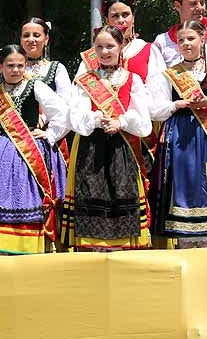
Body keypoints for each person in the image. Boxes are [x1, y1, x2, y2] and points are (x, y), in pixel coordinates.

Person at [0, 45, 70, 254]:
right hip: (1, 151)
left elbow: (62, 114)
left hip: (31, 148)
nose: (16, 70)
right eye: (10, 65)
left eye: (21, 65)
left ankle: (29, 243)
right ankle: (1, 245)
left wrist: (50, 134)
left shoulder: (36, 86)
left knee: (29, 194)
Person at [148, 20, 207, 248]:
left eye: (190, 38)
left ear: (202, 40)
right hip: (179, 140)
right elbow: (154, 109)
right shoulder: (169, 75)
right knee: (181, 186)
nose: (185, 44)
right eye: (181, 40)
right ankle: (183, 244)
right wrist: (176, 105)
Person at [62, 26, 153, 250]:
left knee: (122, 191)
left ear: (121, 47)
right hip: (91, 147)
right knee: (90, 190)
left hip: (121, 148)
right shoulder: (84, 81)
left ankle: (122, 247)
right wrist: (96, 119)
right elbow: (75, 116)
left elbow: (144, 122)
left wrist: (120, 122)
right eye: (99, 47)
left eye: (110, 46)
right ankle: (92, 246)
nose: (104, 51)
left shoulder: (133, 80)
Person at [78, 0, 162, 82]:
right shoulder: (94, 55)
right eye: (115, 16)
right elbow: (79, 91)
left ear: (133, 18)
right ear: (107, 20)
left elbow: (160, 91)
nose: (121, 20)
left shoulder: (148, 50)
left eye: (125, 15)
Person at [20, 17, 72, 99]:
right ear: (21, 40)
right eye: (26, 35)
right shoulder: (10, 68)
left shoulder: (57, 69)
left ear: (46, 39)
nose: (31, 39)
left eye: (36, 35)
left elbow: (66, 102)